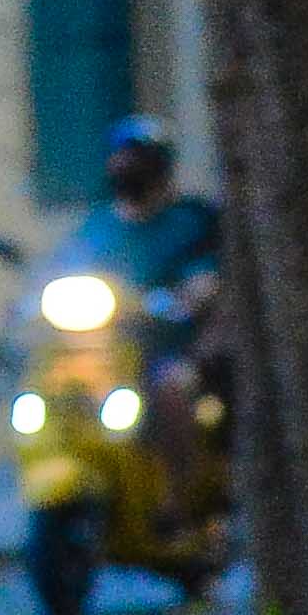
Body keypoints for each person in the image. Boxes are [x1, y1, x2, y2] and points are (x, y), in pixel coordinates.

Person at [64, 116, 226, 493]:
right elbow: (63, 268)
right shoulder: (98, 225)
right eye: (121, 157)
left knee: (169, 389)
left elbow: (206, 278)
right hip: (103, 350)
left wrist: (191, 294)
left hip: (171, 349)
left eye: (138, 158)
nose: (126, 166)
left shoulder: (189, 220)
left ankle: (179, 498)